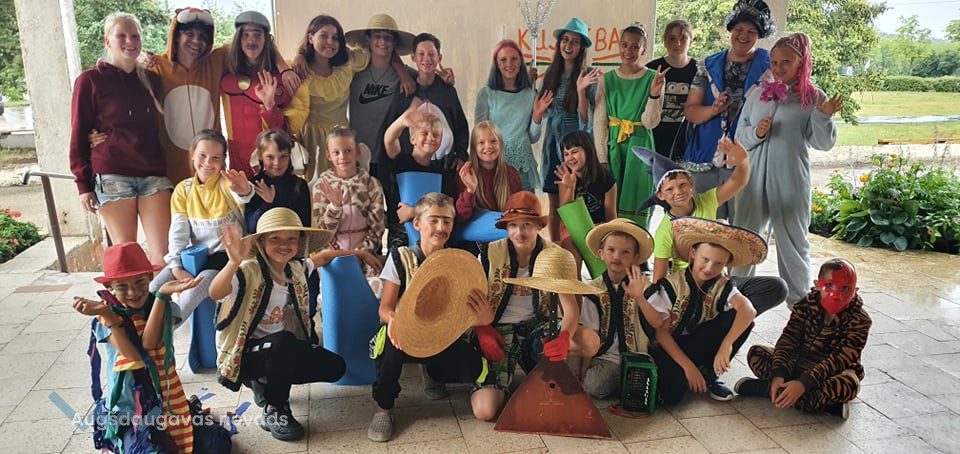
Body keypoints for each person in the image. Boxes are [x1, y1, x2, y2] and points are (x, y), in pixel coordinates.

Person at [209, 208, 348, 441]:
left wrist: (360, 254)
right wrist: (233, 262)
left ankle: (267, 382)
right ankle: (275, 408)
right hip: (244, 355)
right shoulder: (248, 270)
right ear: (262, 242)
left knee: (335, 367)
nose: (284, 244)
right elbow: (216, 292)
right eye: (275, 238)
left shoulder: (295, 269)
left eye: (291, 238)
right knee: (283, 343)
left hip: (279, 351)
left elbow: (322, 258)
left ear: (299, 243)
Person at [368, 193, 491, 441]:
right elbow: (385, 307)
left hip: (443, 334)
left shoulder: (459, 261)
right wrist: (393, 320)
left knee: (472, 366)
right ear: (417, 224)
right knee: (390, 346)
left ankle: (434, 373)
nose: (440, 227)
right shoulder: (401, 257)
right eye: (433, 220)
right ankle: (384, 408)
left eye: (447, 221)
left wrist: (482, 317)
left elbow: (470, 312)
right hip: (405, 332)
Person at [731, 33, 841, 304]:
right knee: (745, 239)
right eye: (775, 62)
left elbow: (823, 143)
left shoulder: (813, 97)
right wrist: (756, 133)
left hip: (790, 180)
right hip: (752, 179)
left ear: (801, 63)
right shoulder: (758, 94)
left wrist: (823, 116)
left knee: (793, 243)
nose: (778, 68)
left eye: (786, 62)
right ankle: (734, 303)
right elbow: (740, 136)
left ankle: (800, 307)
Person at [74, 242, 202, 452]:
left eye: (140, 282)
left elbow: (150, 342)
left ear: (150, 278)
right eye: (122, 286)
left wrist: (162, 296)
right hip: (128, 406)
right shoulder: (104, 316)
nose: (133, 291)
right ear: (110, 287)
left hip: (166, 397)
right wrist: (108, 316)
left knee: (213, 444)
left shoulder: (165, 307)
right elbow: (135, 356)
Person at [470, 191, 587, 419]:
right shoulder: (488, 254)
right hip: (498, 331)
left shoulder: (554, 255)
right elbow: (469, 299)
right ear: (506, 227)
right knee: (485, 411)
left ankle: (538, 369)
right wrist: (482, 329)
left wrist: (564, 337)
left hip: (538, 329)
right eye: (513, 225)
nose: (519, 232)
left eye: (526, 224)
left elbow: (571, 309)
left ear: (539, 226)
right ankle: (509, 378)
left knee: (588, 340)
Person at [634, 143, 788, 316]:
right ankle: (722, 319)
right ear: (660, 195)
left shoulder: (706, 200)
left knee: (777, 287)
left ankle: (728, 318)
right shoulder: (665, 230)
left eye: (682, 184)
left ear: (691, 184)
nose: (678, 191)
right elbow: (659, 280)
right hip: (688, 289)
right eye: (670, 189)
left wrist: (743, 162)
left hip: (719, 282)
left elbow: (737, 182)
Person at [69, 12, 170, 266]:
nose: (129, 41)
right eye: (121, 36)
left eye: (135, 36)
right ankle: (132, 296)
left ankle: (161, 295)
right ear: (107, 41)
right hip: (113, 176)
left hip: (153, 174)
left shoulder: (152, 81)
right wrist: (83, 185)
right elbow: (79, 133)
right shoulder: (90, 81)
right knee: (127, 258)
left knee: (164, 256)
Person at [647, 217, 764, 403]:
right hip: (667, 348)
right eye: (705, 259)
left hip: (696, 342)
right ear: (693, 253)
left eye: (718, 263)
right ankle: (691, 371)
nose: (709, 268)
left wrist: (727, 344)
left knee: (741, 319)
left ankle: (709, 373)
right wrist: (688, 367)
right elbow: (661, 334)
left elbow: (748, 310)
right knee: (672, 395)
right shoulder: (672, 285)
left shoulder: (721, 284)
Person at [736, 259, 871, 419]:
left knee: (850, 384)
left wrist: (804, 384)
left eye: (846, 288)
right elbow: (789, 340)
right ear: (818, 285)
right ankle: (823, 404)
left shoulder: (860, 320)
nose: (837, 295)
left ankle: (769, 390)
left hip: (830, 373)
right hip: (798, 362)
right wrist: (779, 374)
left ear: (855, 290)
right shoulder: (805, 305)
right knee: (756, 353)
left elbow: (840, 360)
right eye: (829, 286)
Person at [286, 14, 411, 180]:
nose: (330, 42)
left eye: (335, 38)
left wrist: (403, 73)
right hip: (312, 137)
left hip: (343, 137)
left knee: (345, 184)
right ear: (310, 37)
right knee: (315, 185)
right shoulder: (299, 70)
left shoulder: (348, 64)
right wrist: (300, 54)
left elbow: (383, 51)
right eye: (324, 36)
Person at [682, 0, 775, 219]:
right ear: (731, 30)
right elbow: (691, 111)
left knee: (742, 225)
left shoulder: (771, 67)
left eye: (751, 31)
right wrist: (713, 110)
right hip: (706, 153)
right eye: (739, 29)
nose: (744, 36)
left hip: (748, 155)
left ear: (760, 35)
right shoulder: (708, 65)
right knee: (702, 221)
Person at [149, 130, 254, 321]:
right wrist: (176, 267)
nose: (207, 163)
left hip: (224, 259)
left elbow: (244, 194)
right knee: (153, 289)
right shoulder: (183, 190)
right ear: (192, 155)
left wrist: (245, 190)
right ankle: (137, 328)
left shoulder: (228, 184)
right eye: (202, 155)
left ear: (223, 161)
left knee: (188, 298)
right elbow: (178, 233)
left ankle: (157, 334)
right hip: (194, 257)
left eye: (215, 158)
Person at [568, 218, 663, 398]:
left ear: (635, 257)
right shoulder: (593, 289)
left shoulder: (645, 286)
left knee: (593, 385)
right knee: (564, 368)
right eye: (611, 250)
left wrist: (640, 298)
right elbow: (592, 332)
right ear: (601, 253)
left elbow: (658, 323)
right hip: (596, 352)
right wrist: (583, 368)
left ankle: (625, 381)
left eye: (625, 252)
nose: (617, 257)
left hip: (624, 357)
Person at [593, 22, 666, 227]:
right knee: (611, 203)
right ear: (619, 46)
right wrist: (602, 158)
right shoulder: (606, 80)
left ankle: (638, 244)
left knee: (637, 199)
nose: (629, 51)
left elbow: (650, 123)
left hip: (640, 147)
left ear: (644, 49)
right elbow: (599, 121)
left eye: (635, 46)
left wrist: (654, 94)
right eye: (625, 45)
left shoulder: (654, 78)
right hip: (614, 147)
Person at [539, 18, 598, 241]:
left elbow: (586, 121)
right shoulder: (551, 74)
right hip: (552, 146)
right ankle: (554, 248)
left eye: (575, 41)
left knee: (572, 204)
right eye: (565, 40)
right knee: (554, 203)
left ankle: (575, 249)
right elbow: (543, 110)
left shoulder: (588, 74)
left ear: (581, 47)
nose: (569, 45)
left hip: (574, 147)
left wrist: (580, 90)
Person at [221, 11, 293, 178]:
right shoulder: (226, 68)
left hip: (267, 158)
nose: (251, 40)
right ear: (238, 39)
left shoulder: (278, 76)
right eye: (245, 35)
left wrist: (269, 105)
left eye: (257, 34)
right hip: (236, 154)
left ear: (266, 39)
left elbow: (281, 132)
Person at [344, 14, 417, 179]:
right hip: (356, 153)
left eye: (388, 38)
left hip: (388, 156)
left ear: (395, 43)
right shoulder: (354, 71)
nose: (382, 42)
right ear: (368, 39)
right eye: (377, 36)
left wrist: (446, 78)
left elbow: (428, 81)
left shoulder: (406, 75)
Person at [475, 39, 552, 192]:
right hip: (494, 164)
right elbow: (479, 134)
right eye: (503, 60)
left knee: (523, 206)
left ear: (521, 61)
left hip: (522, 166)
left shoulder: (530, 95)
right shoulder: (487, 94)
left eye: (514, 59)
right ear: (497, 64)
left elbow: (533, 138)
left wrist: (537, 115)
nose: (509, 64)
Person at [383, 102, 457, 243]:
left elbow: (448, 209)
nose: (430, 138)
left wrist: (414, 212)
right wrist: (402, 122)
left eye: (436, 135)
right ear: (413, 139)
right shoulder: (401, 162)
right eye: (424, 133)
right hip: (400, 237)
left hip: (433, 239)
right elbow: (389, 141)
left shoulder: (443, 174)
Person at [313, 127, 386, 269]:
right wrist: (335, 207)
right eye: (336, 152)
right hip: (332, 255)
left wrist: (361, 253)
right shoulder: (322, 186)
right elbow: (323, 231)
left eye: (348, 151)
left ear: (357, 152)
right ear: (328, 155)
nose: (342, 157)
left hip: (366, 255)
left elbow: (377, 227)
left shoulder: (372, 184)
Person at [554, 131, 617, 272]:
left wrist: (611, 237)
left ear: (588, 150)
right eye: (566, 154)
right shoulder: (565, 176)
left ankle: (607, 285)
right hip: (572, 229)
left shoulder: (604, 176)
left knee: (607, 262)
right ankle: (575, 285)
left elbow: (611, 214)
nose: (570, 158)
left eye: (574, 152)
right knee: (572, 259)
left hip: (599, 226)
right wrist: (570, 187)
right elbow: (565, 214)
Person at [646, 20, 698, 160]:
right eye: (672, 38)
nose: (678, 44)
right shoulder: (652, 69)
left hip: (686, 137)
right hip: (656, 136)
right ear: (664, 41)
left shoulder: (699, 70)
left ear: (691, 41)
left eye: (683, 39)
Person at [243, 129, 311, 233]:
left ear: (289, 156)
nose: (277, 163)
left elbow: (304, 227)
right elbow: (250, 227)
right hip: (263, 241)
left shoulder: (299, 185)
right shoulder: (254, 185)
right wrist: (267, 204)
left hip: (291, 240)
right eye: (270, 157)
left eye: (283, 157)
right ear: (261, 156)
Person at [455, 121, 522, 224]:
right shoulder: (466, 173)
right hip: (475, 228)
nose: (488, 146)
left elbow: (518, 209)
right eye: (481, 142)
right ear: (474, 147)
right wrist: (470, 191)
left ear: (500, 144)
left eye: (493, 141)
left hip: (503, 227)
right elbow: (461, 216)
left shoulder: (511, 173)